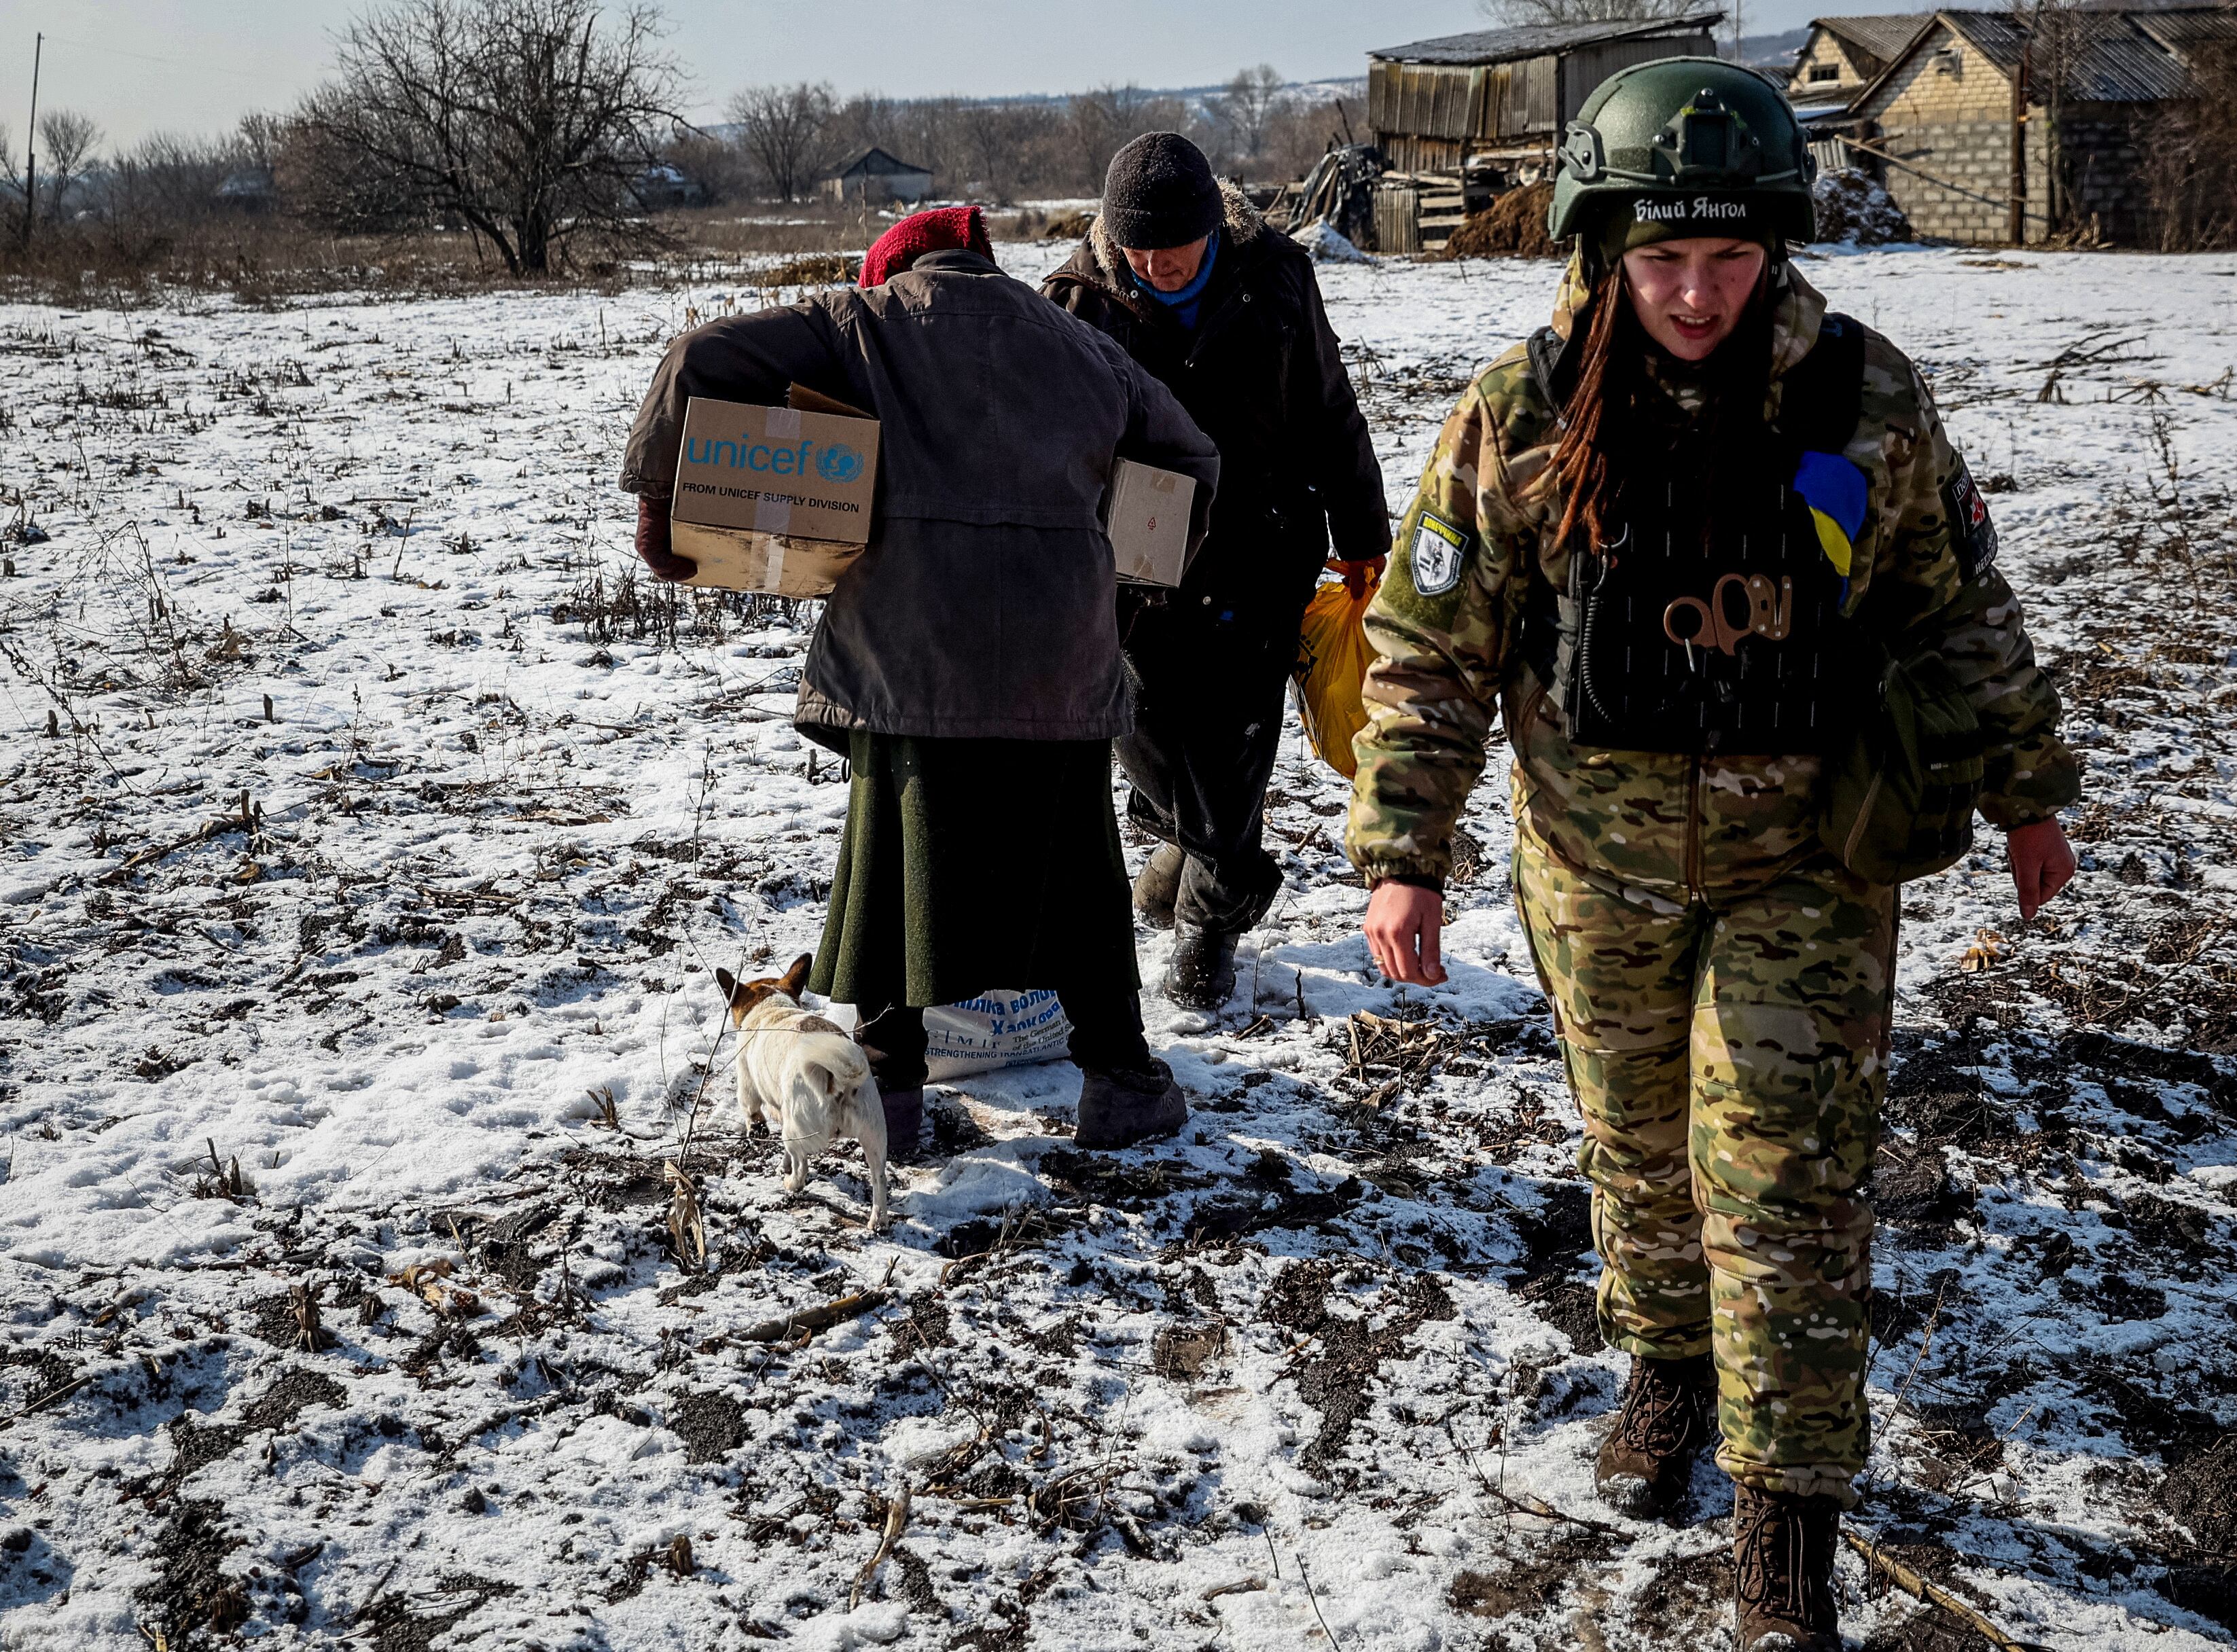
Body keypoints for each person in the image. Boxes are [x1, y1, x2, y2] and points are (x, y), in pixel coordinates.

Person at [1344, 62, 2080, 1651]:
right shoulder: (1522, 409)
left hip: (1803, 866)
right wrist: (1405, 844)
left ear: (1776, 248)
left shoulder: (1860, 400)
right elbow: (1423, 636)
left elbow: (1955, 607)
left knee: (1785, 1185)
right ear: (1600, 241)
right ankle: (1667, 1369)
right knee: (1638, 1151)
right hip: (1588, 867)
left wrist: (2028, 789)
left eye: (1728, 260)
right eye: (1660, 259)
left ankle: (1785, 1525)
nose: (1692, 293)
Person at [620, 207, 1221, 1154]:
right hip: (1057, 662)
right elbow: (1189, 456)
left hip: (908, 657)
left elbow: (698, 355)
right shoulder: (1078, 344)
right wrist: (1126, 593)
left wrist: (662, 506)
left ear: (893, 268)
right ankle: (1122, 1084)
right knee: (1077, 876)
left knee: (898, 874)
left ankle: (890, 1098)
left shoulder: (858, 324)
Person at [1042, 132, 1391, 1010]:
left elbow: (1326, 403)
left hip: (1257, 550)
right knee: (1142, 731)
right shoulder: (1075, 302)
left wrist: (1360, 531)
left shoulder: (1274, 276)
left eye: (1176, 248)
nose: (1158, 265)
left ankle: (1210, 923)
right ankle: (1179, 842)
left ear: (1213, 229)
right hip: (1135, 571)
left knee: (1235, 749)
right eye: (1139, 251)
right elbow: (1052, 448)